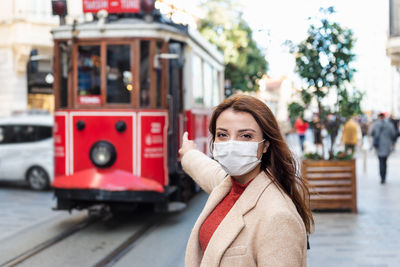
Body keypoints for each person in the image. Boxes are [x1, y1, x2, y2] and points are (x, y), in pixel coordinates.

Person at [179, 95, 313, 267]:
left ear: (265, 145)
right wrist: (189, 153)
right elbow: (206, 170)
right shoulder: (229, 185)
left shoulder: (278, 216)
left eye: (246, 136)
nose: (232, 144)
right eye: (222, 134)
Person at [369, 113, 397, 184]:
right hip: (387, 145)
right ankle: (384, 176)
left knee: (381, 161)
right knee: (384, 161)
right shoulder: (389, 124)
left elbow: (371, 133)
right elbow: (393, 134)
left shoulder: (375, 124)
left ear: (379, 117)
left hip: (379, 145)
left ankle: (382, 177)